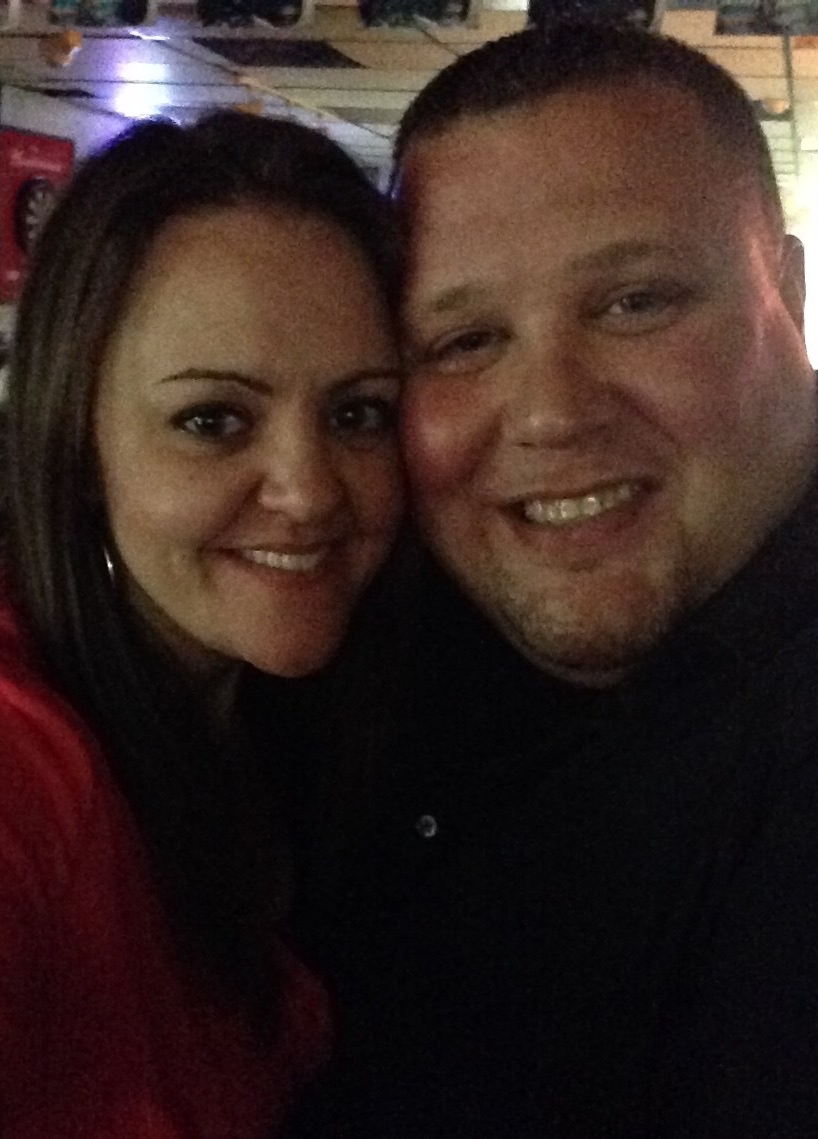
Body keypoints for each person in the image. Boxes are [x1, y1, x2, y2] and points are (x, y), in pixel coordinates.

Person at [290, 20, 818, 1138]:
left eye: (635, 302)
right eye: (464, 341)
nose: (550, 414)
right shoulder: (347, 625)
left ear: (786, 290)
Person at [0, 109, 402, 1137]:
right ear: (80, 444)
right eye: (213, 420)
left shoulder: (290, 721)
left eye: (357, 413)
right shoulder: (17, 745)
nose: (309, 491)